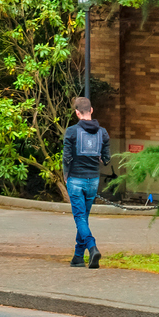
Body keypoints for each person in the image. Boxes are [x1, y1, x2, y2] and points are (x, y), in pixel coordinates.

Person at [63, 96, 109, 268]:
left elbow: (66, 158)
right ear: (91, 110)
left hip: (75, 179)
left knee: (80, 218)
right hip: (93, 180)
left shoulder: (72, 132)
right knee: (84, 218)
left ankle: (92, 247)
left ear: (76, 113)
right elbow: (106, 159)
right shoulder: (102, 132)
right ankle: (77, 257)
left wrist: (66, 176)